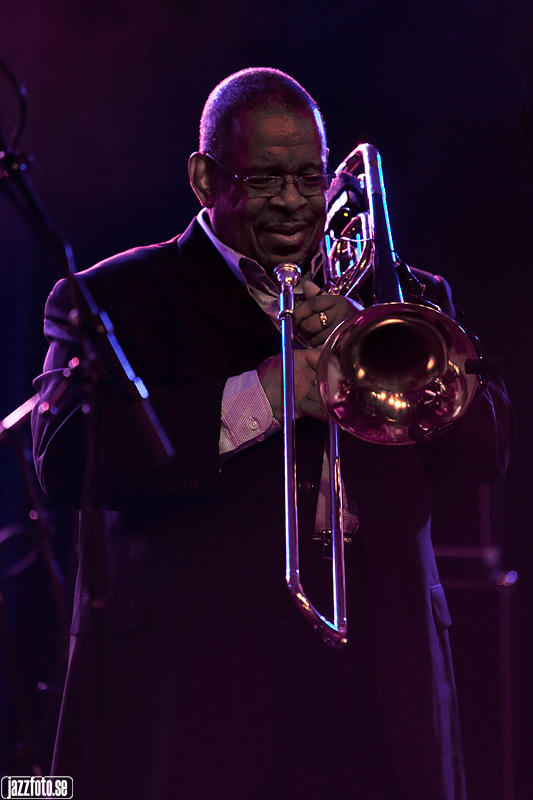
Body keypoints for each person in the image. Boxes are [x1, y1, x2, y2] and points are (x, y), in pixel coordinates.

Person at [31, 67, 514, 800]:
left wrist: (401, 350)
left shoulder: (404, 295)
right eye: (263, 180)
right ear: (204, 177)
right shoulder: (113, 296)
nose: (293, 203)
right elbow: (60, 459)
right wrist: (270, 390)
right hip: (203, 678)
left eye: (309, 178)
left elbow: (486, 456)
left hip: (383, 678)